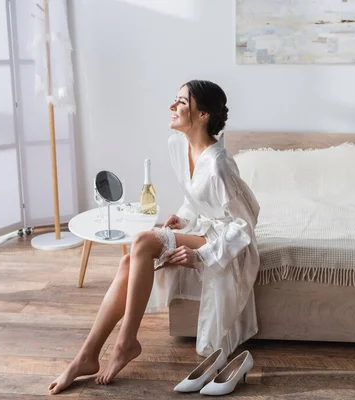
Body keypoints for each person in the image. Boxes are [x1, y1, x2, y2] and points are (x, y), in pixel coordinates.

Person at [48, 80, 260, 395]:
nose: (172, 107)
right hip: (201, 230)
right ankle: (87, 355)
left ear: (202, 115)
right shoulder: (179, 146)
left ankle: (125, 342)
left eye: (181, 103)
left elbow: (243, 224)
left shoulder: (219, 164)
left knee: (143, 242)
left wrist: (201, 255)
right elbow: (196, 199)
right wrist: (184, 218)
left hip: (227, 246)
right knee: (127, 264)